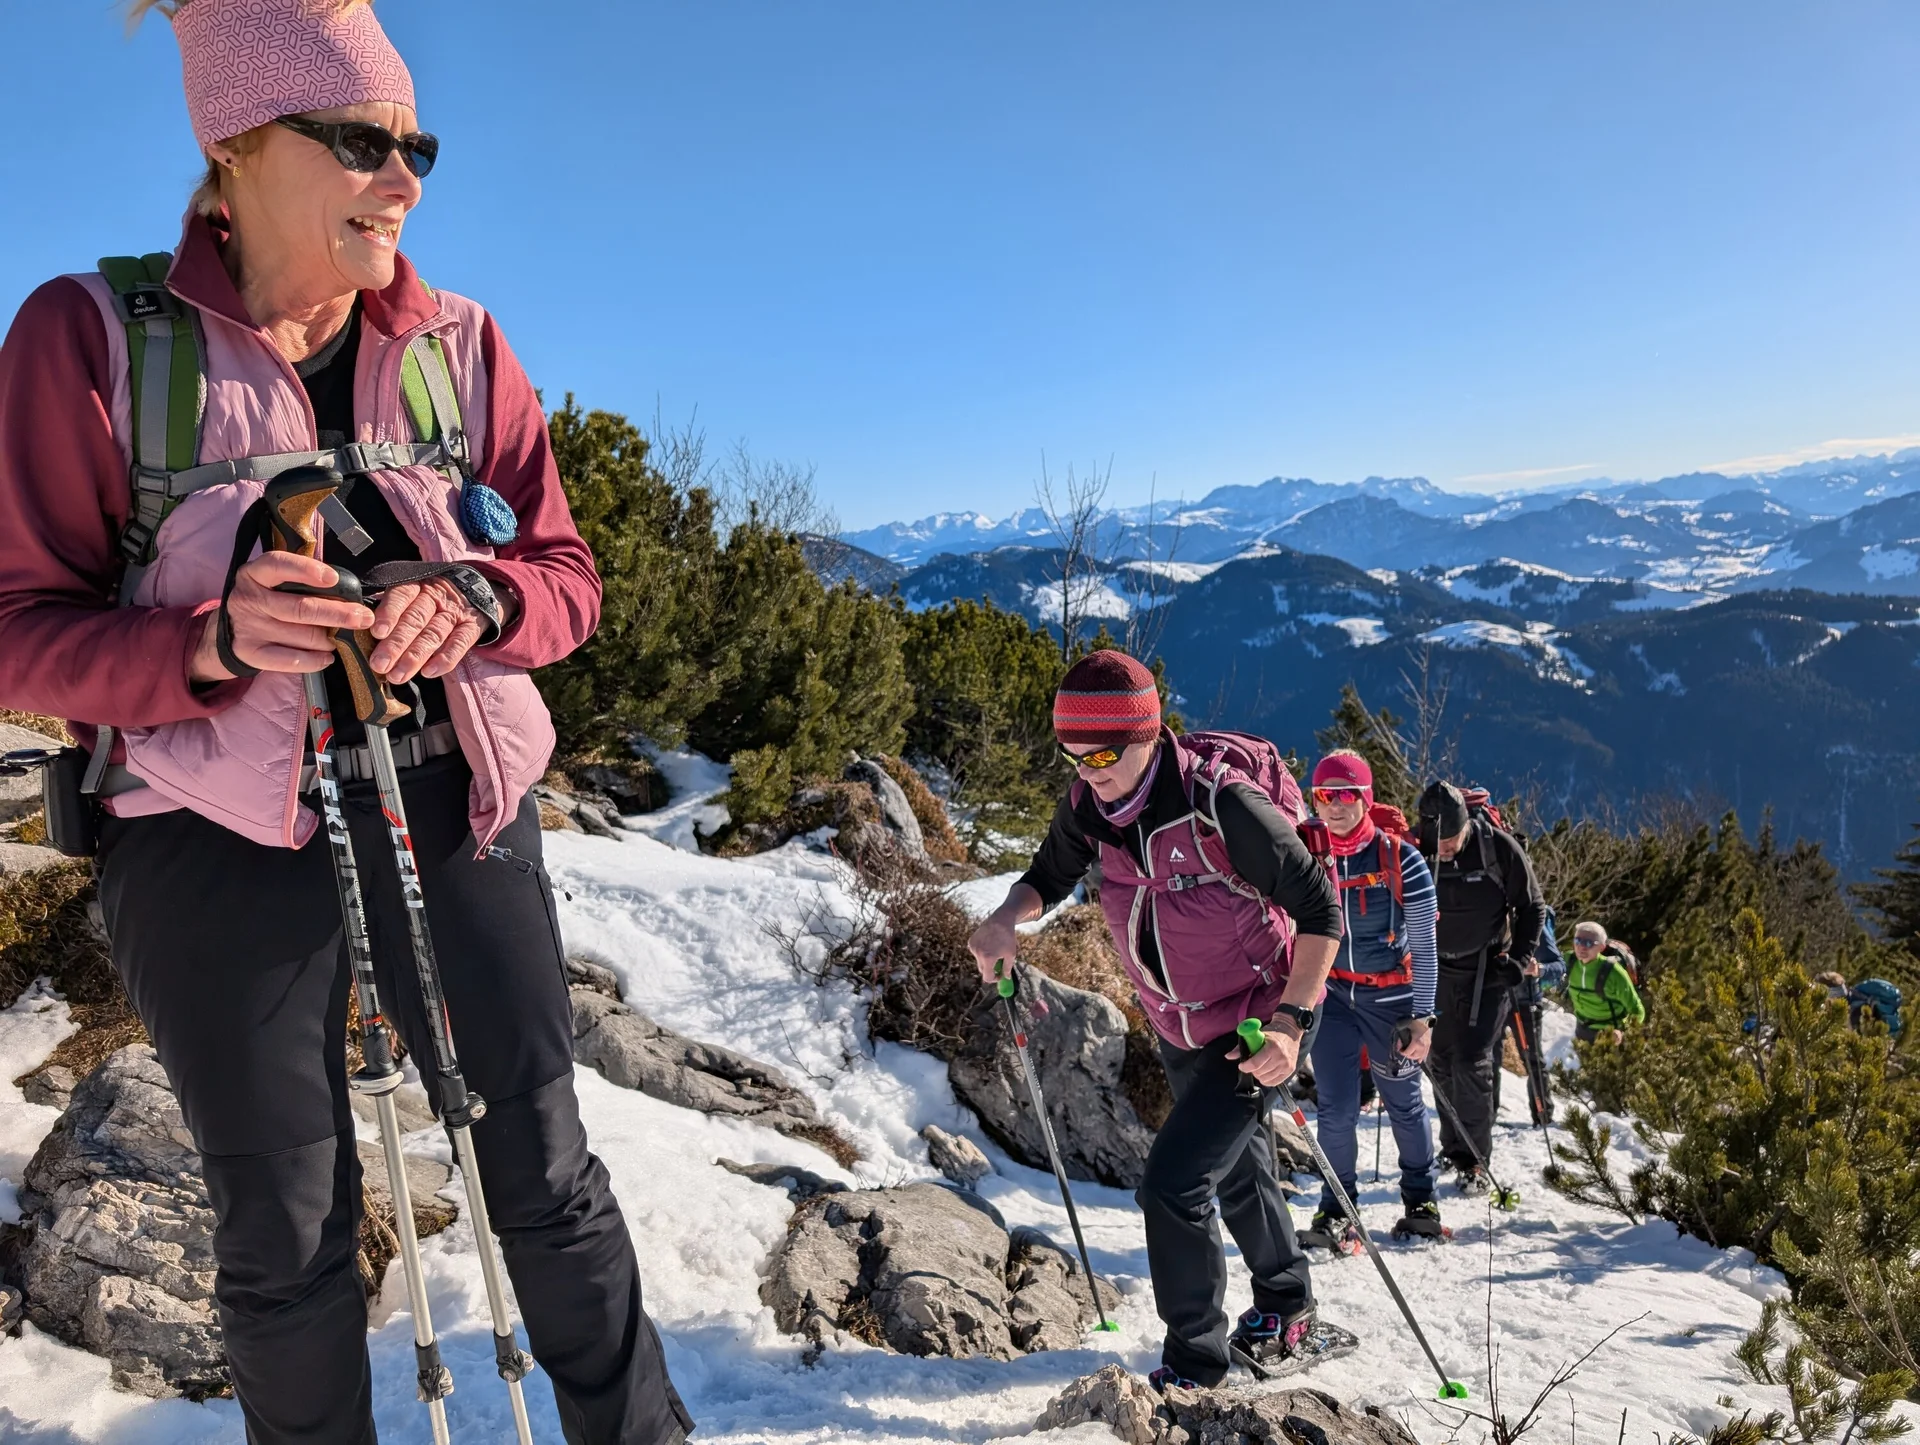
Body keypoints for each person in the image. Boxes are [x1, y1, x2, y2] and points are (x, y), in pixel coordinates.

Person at [0, 3, 690, 1441]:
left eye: (417, 143)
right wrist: (211, 641)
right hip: (207, 837)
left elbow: (567, 577)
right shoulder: (92, 339)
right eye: (366, 141)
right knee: (289, 1225)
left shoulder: (460, 344)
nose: (407, 178)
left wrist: (483, 610)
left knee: (545, 1170)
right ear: (238, 144)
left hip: (457, 794)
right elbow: (19, 631)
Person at [965, 650, 1341, 1391]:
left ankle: (1198, 1364)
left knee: (1172, 1182)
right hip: (1179, 1023)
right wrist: (1007, 919)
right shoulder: (1089, 804)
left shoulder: (1223, 803)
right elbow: (1048, 876)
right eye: (1071, 754)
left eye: (1102, 752)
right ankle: (1289, 1304)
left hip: (1265, 1015)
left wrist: (1294, 1025)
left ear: (1147, 732)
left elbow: (1321, 911)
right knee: (1234, 1169)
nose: (1087, 770)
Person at [1302, 751, 1443, 1246]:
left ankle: (1420, 1200)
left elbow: (1426, 945)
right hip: (1334, 996)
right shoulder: (1309, 854)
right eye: (1324, 795)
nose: (1334, 806)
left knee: (1402, 1101)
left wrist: (1423, 1018)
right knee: (1336, 1109)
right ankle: (1337, 1209)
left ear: (1366, 798)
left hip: (1393, 1000)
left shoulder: (1401, 859)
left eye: (1346, 795)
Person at [1416, 781, 1544, 1184]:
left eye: (1452, 840)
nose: (1447, 849)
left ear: (1467, 825)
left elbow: (1532, 907)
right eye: (1440, 841)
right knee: (1438, 1061)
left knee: (1471, 1062)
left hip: (1488, 970)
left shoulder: (1499, 849)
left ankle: (1474, 1160)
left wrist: (1520, 960)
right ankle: (1452, 1149)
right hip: (1436, 970)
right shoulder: (1419, 850)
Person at [1564, 921, 1646, 1045]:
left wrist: (1622, 1032)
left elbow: (1637, 1010)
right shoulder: (1569, 960)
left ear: (1602, 947)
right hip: (1582, 1031)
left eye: (1588, 943)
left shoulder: (1614, 972)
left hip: (1611, 1035)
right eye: (1577, 941)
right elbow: (1548, 974)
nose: (1581, 947)